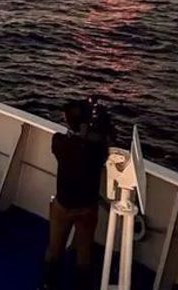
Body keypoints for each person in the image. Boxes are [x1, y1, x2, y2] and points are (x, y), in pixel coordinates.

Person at [41, 99, 111, 290]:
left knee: (54, 248)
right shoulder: (97, 150)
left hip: (64, 205)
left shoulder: (59, 142)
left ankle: (48, 284)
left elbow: (69, 140)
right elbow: (103, 146)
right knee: (84, 252)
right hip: (87, 207)